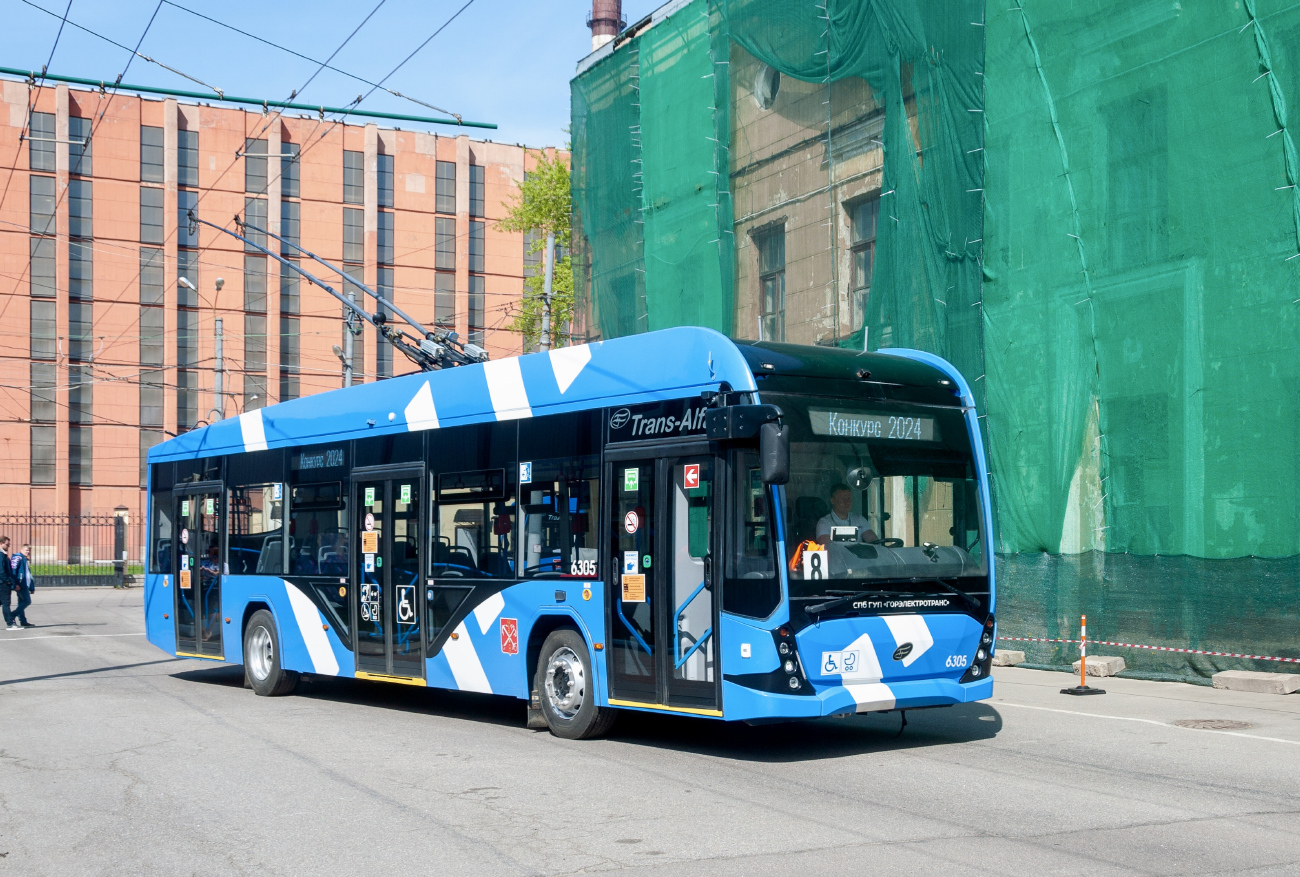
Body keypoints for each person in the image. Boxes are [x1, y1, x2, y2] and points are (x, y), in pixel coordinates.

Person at [1, 536, 25, 631]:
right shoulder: (1, 555)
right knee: (6, 604)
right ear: (1, 543)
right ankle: (10, 624)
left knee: (3, 603)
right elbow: (1, 571)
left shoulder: (3, 555)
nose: (9, 546)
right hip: (3, 584)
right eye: (7, 544)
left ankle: (10, 622)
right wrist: (8, 581)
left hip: (3, 582)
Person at [9, 544, 34, 629]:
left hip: (25, 584)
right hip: (20, 584)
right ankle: (12, 615)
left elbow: (28, 574)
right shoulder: (18, 558)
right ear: (22, 550)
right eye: (27, 550)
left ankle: (23, 621)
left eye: (29, 550)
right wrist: (15, 583)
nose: (28, 552)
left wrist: (31, 587)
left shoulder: (24, 559)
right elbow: (13, 570)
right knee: (27, 601)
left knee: (21, 603)